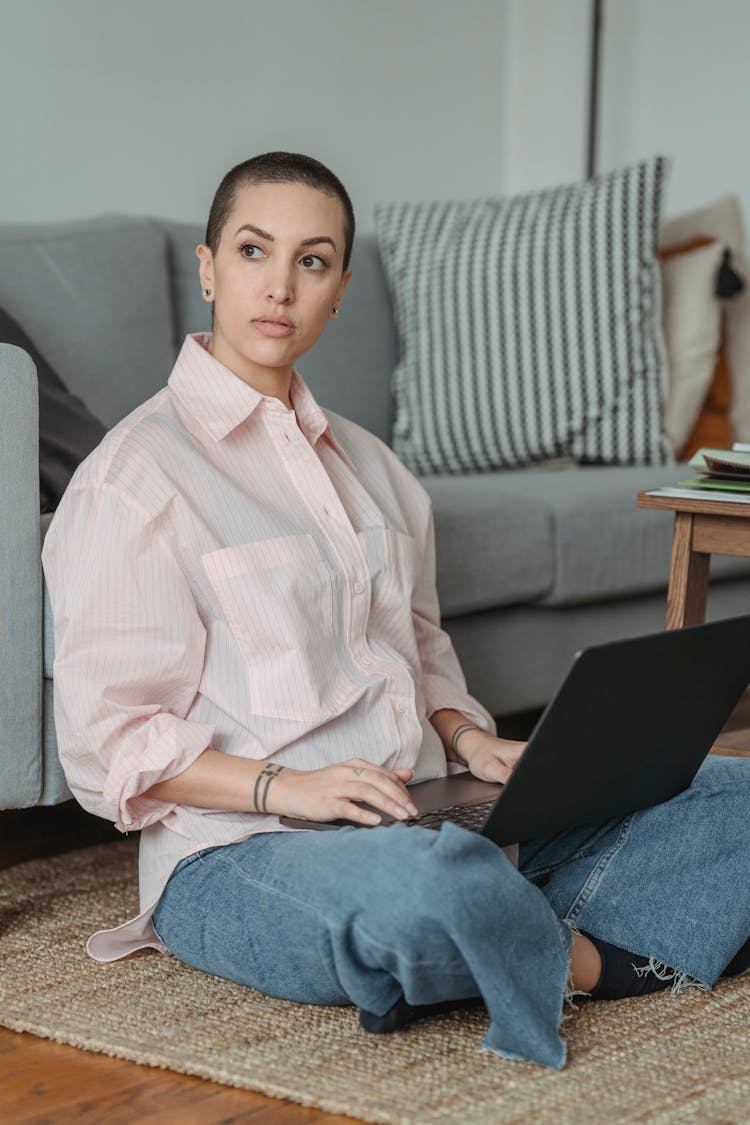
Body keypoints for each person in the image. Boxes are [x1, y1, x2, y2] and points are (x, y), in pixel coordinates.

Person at [42, 152, 750, 1071]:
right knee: (425, 892)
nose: (280, 286)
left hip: (428, 808)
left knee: (731, 787)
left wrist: (466, 740)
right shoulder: (133, 480)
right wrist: (285, 786)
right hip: (246, 851)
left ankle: (503, 935)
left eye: (314, 259)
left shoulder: (376, 470)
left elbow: (413, 644)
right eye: (255, 250)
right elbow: (108, 744)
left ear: (339, 289)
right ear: (209, 267)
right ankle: (596, 951)